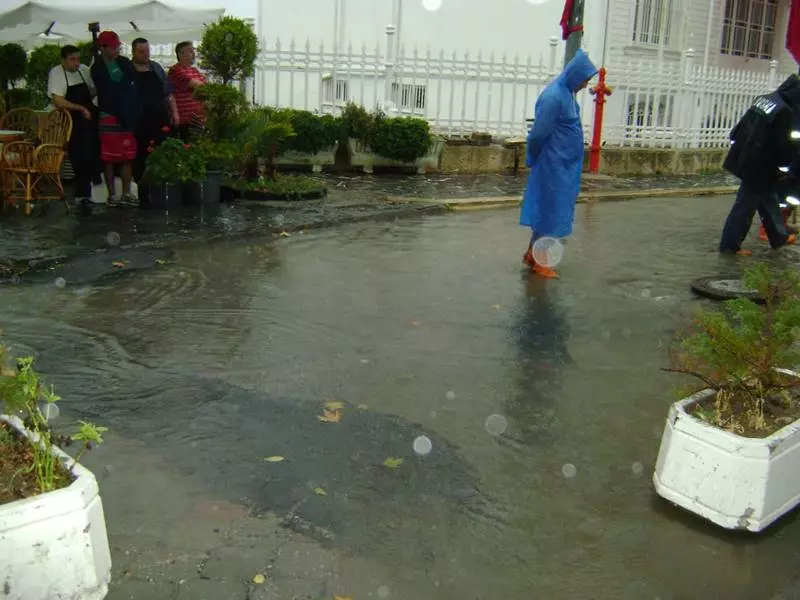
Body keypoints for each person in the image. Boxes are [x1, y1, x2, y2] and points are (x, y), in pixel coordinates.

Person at [520, 49, 598, 279]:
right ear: (576, 75)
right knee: (551, 212)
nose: (586, 85)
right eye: (585, 79)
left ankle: (531, 254)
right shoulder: (554, 97)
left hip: (564, 167)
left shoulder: (568, 94)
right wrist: (531, 157)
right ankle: (541, 262)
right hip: (552, 166)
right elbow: (538, 134)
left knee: (554, 211)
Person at [718, 75, 800, 255]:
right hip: (758, 163)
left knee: (767, 197)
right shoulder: (785, 111)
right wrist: (785, 165)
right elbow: (782, 145)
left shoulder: (765, 99)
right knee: (745, 205)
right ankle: (729, 246)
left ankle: (778, 237)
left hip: (745, 155)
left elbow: (739, 128)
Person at [90, 30, 141, 207]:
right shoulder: (96, 67)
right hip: (108, 115)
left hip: (126, 115)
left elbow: (128, 83)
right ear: (102, 48)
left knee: (127, 156)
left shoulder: (125, 63)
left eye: (117, 47)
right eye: (112, 48)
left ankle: (126, 193)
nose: (116, 50)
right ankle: (112, 195)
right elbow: (105, 88)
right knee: (109, 157)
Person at [47, 45, 101, 205]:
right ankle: (82, 192)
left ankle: (94, 190)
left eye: (78, 59)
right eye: (72, 59)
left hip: (90, 118)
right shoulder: (57, 73)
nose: (76, 63)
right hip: (73, 121)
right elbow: (58, 100)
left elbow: (92, 91)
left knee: (94, 153)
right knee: (80, 155)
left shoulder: (83, 70)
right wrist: (80, 108)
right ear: (63, 60)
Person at [130, 37, 179, 186]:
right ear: (133, 52)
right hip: (138, 120)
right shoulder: (128, 70)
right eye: (141, 52)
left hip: (160, 118)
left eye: (147, 51)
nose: (145, 54)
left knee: (161, 151)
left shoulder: (156, 68)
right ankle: (140, 185)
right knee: (140, 154)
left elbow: (168, 94)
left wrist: (175, 113)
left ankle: (160, 184)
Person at [168, 41, 207, 141]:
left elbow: (206, 89)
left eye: (193, 50)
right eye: (190, 51)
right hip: (184, 121)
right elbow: (198, 85)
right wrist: (201, 88)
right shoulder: (175, 71)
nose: (194, 53)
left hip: (198, 120)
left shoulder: (195, 71)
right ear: (180, 54)